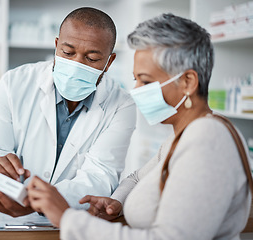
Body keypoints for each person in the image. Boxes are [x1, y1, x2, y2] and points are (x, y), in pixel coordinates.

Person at [26, 13, 252, 239]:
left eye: (145, 81)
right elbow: (136, 179)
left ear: (188, 82)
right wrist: (117, 203)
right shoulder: (184, 136)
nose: (136, 90)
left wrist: (67, 218)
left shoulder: (208, 139)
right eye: (135, 79)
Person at [0, 7, 136, 216]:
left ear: (109, 62)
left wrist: (39, 200)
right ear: (57, 46)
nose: (76, 65)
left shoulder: (122, 105)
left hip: (65, 222)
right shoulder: (14, 83)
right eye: (68, 53)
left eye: (91, 58)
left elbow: (100, 177)